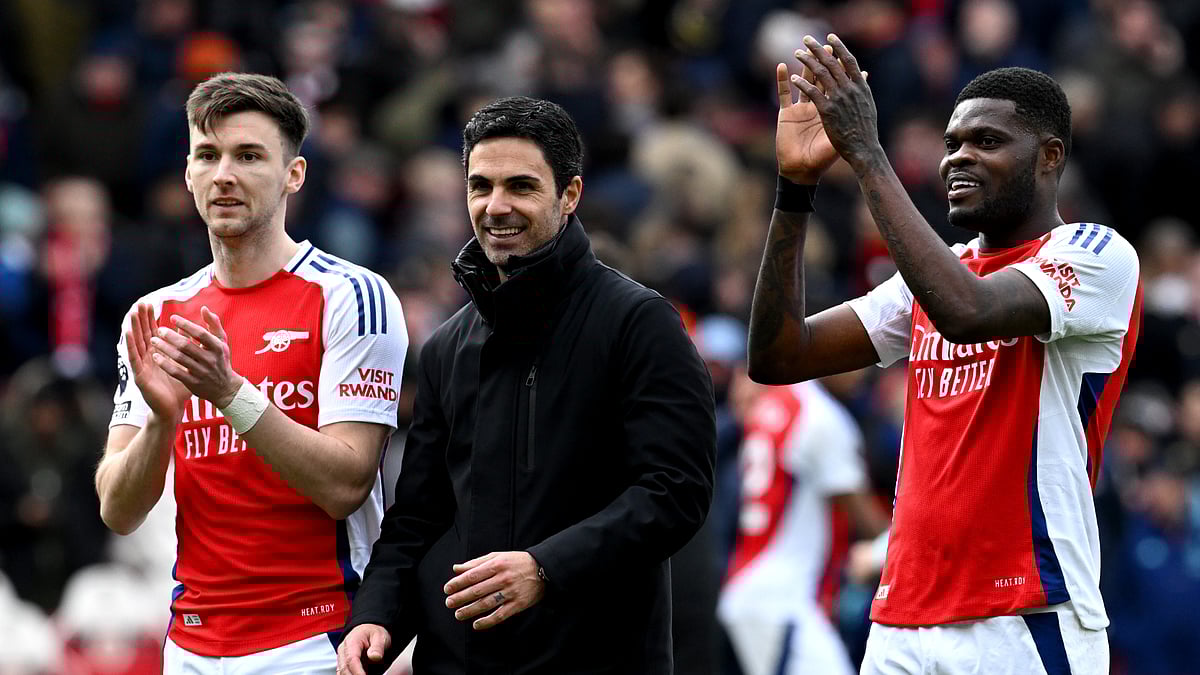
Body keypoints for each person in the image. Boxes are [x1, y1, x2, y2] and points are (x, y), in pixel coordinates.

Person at [747, 35, 1141, 675]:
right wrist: (796, 189)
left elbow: (970, 314)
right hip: (901, 618)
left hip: (1025, 616)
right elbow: (778, 355)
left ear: (1049, 157)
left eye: (986, 142)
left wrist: (868, 154)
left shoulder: (1097, 253)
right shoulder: (936, 275)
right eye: (952, 143)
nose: (958, 158)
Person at [336, 96, 716, 675]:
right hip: (459, 661)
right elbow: (418, 518)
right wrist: (378, 616)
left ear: (570, 195)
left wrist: (545, 568)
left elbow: (675, 492)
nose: (496, 206)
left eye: (520, 186)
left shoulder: (639, 321)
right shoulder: (445, 348)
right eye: (480, 186)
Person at [95, 73, 407, 673]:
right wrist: (163, 421)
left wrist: (229, 392)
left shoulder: (351, 295)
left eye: (249, 155)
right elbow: (118, 509)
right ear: (187, 174)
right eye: (207, 156)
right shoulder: (158, 314)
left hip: (316, 639)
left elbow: (346, 486)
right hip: (189, 643)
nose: (224, 175)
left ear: (295, 175)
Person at [719, 377, 889, 675]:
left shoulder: (779, 398)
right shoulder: (821, 416)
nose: (864, 369)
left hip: (757, 582)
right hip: (782, 597)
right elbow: (867, 521)